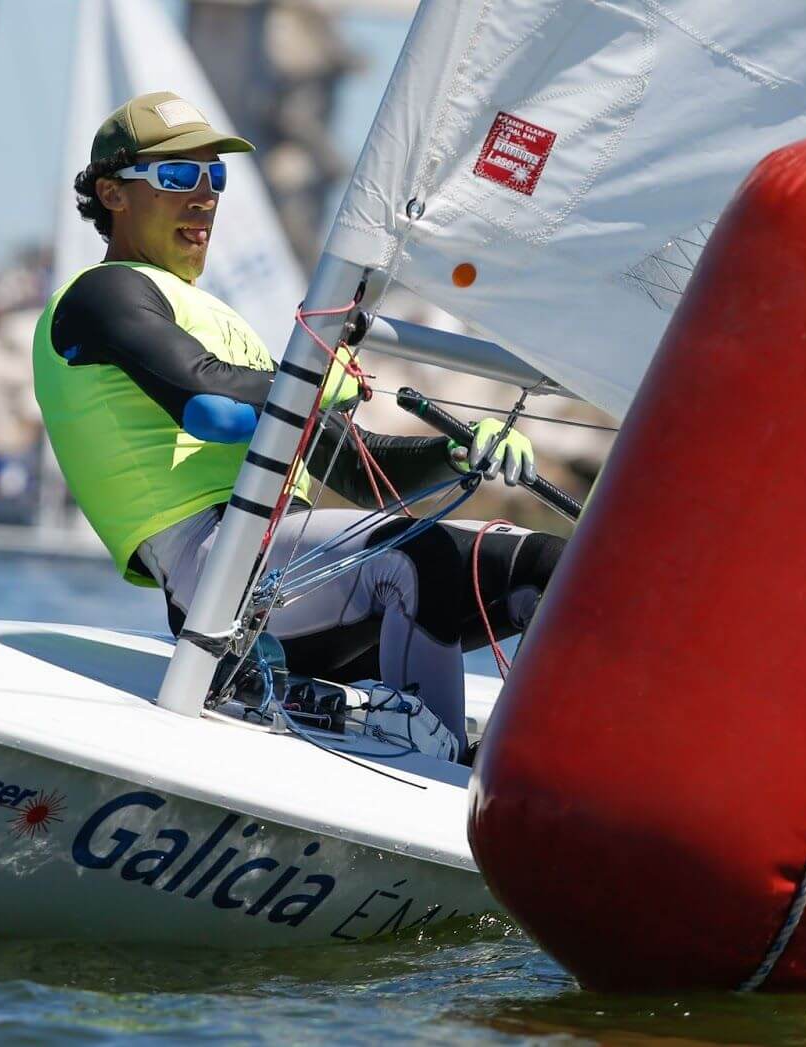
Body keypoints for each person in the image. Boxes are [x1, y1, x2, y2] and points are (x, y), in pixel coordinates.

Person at [33, 91, 565, 758]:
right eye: (176, 176)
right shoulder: (102, 294)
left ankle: (541, 768)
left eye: (214, 176)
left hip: (303, 568)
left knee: (556, 567)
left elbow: (355, 469)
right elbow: (211, 407)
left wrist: (458, 455)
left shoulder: (219, 321)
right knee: (417, 556)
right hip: (219, 572)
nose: (203, 197)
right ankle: (439, 769)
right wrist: (304, 383)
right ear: (112, 193)